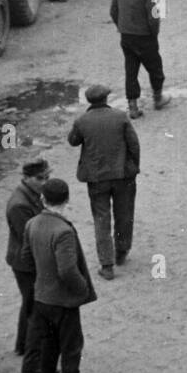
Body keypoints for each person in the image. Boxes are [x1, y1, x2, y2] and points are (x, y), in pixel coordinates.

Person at [19, 177, 104, 373]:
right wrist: (82, 289)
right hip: (63, 301)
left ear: (43, 199)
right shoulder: (63, 231)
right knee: (71, 348)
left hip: (42, 297)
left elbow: (26, 259)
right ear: (67, 200)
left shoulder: (32, 224)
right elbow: (67, 270)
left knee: (49, 344)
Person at [68, 85, 140, 280]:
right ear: (106, 99)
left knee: (101, 219)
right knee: (124, 214)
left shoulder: (82, 121)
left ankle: (106, 265)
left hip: (96, 178)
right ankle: (122, 251)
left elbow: (73, 141)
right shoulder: (120, 117)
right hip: (122, 176)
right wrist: (134, 168)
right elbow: (134, 144)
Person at [5, 158, 50, 373]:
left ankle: (22, 345)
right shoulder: (20, 205)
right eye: (39, 178)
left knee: (30, 303)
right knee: (36, 308)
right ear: (26, 178)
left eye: (47, 177)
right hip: (25, 263)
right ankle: (34, 362)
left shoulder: (30, 195)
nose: (44, 182)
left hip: (26, 260)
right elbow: (30, 237)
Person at [109, 0, 170, 119]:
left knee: (131, 70)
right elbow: (154, 18)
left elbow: (113, 11)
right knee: (155, 68)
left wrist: (122, 27)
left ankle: (133, 107)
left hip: (126, 37)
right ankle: (158, 98)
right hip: (145, 38)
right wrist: (154, 34)